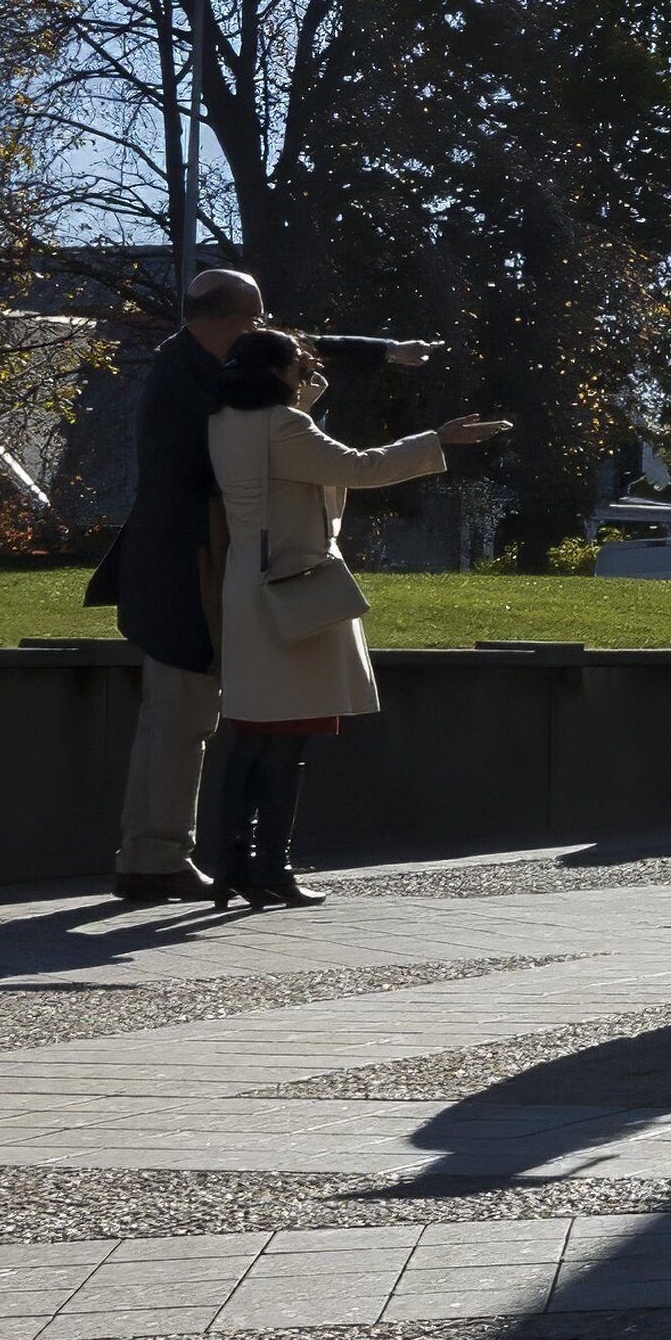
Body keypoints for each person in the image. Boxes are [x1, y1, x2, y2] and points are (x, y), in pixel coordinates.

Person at [203, 327, 506, 909]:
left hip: (251, 585)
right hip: (296, 586)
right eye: (298, 367)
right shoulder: (286, 427)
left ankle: (234, 865)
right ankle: (272, 866)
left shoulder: (227, 421)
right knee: (288, 737)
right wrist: (436, 440)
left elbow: (293, 434)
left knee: (251, 732)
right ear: (275, 376)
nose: (306, 374)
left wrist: (302, 386)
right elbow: (361, 468)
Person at [100, 261, 264, 903]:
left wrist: (383, 351)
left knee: (172, 717)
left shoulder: (185, 365)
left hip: (170, 565)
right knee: (183, 716)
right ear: (224, 320)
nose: (260, 330)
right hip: (182, 569)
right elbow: (233, 451)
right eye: (252, 318)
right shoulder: (196, 383)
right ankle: (157, 856)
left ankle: (150, 853)